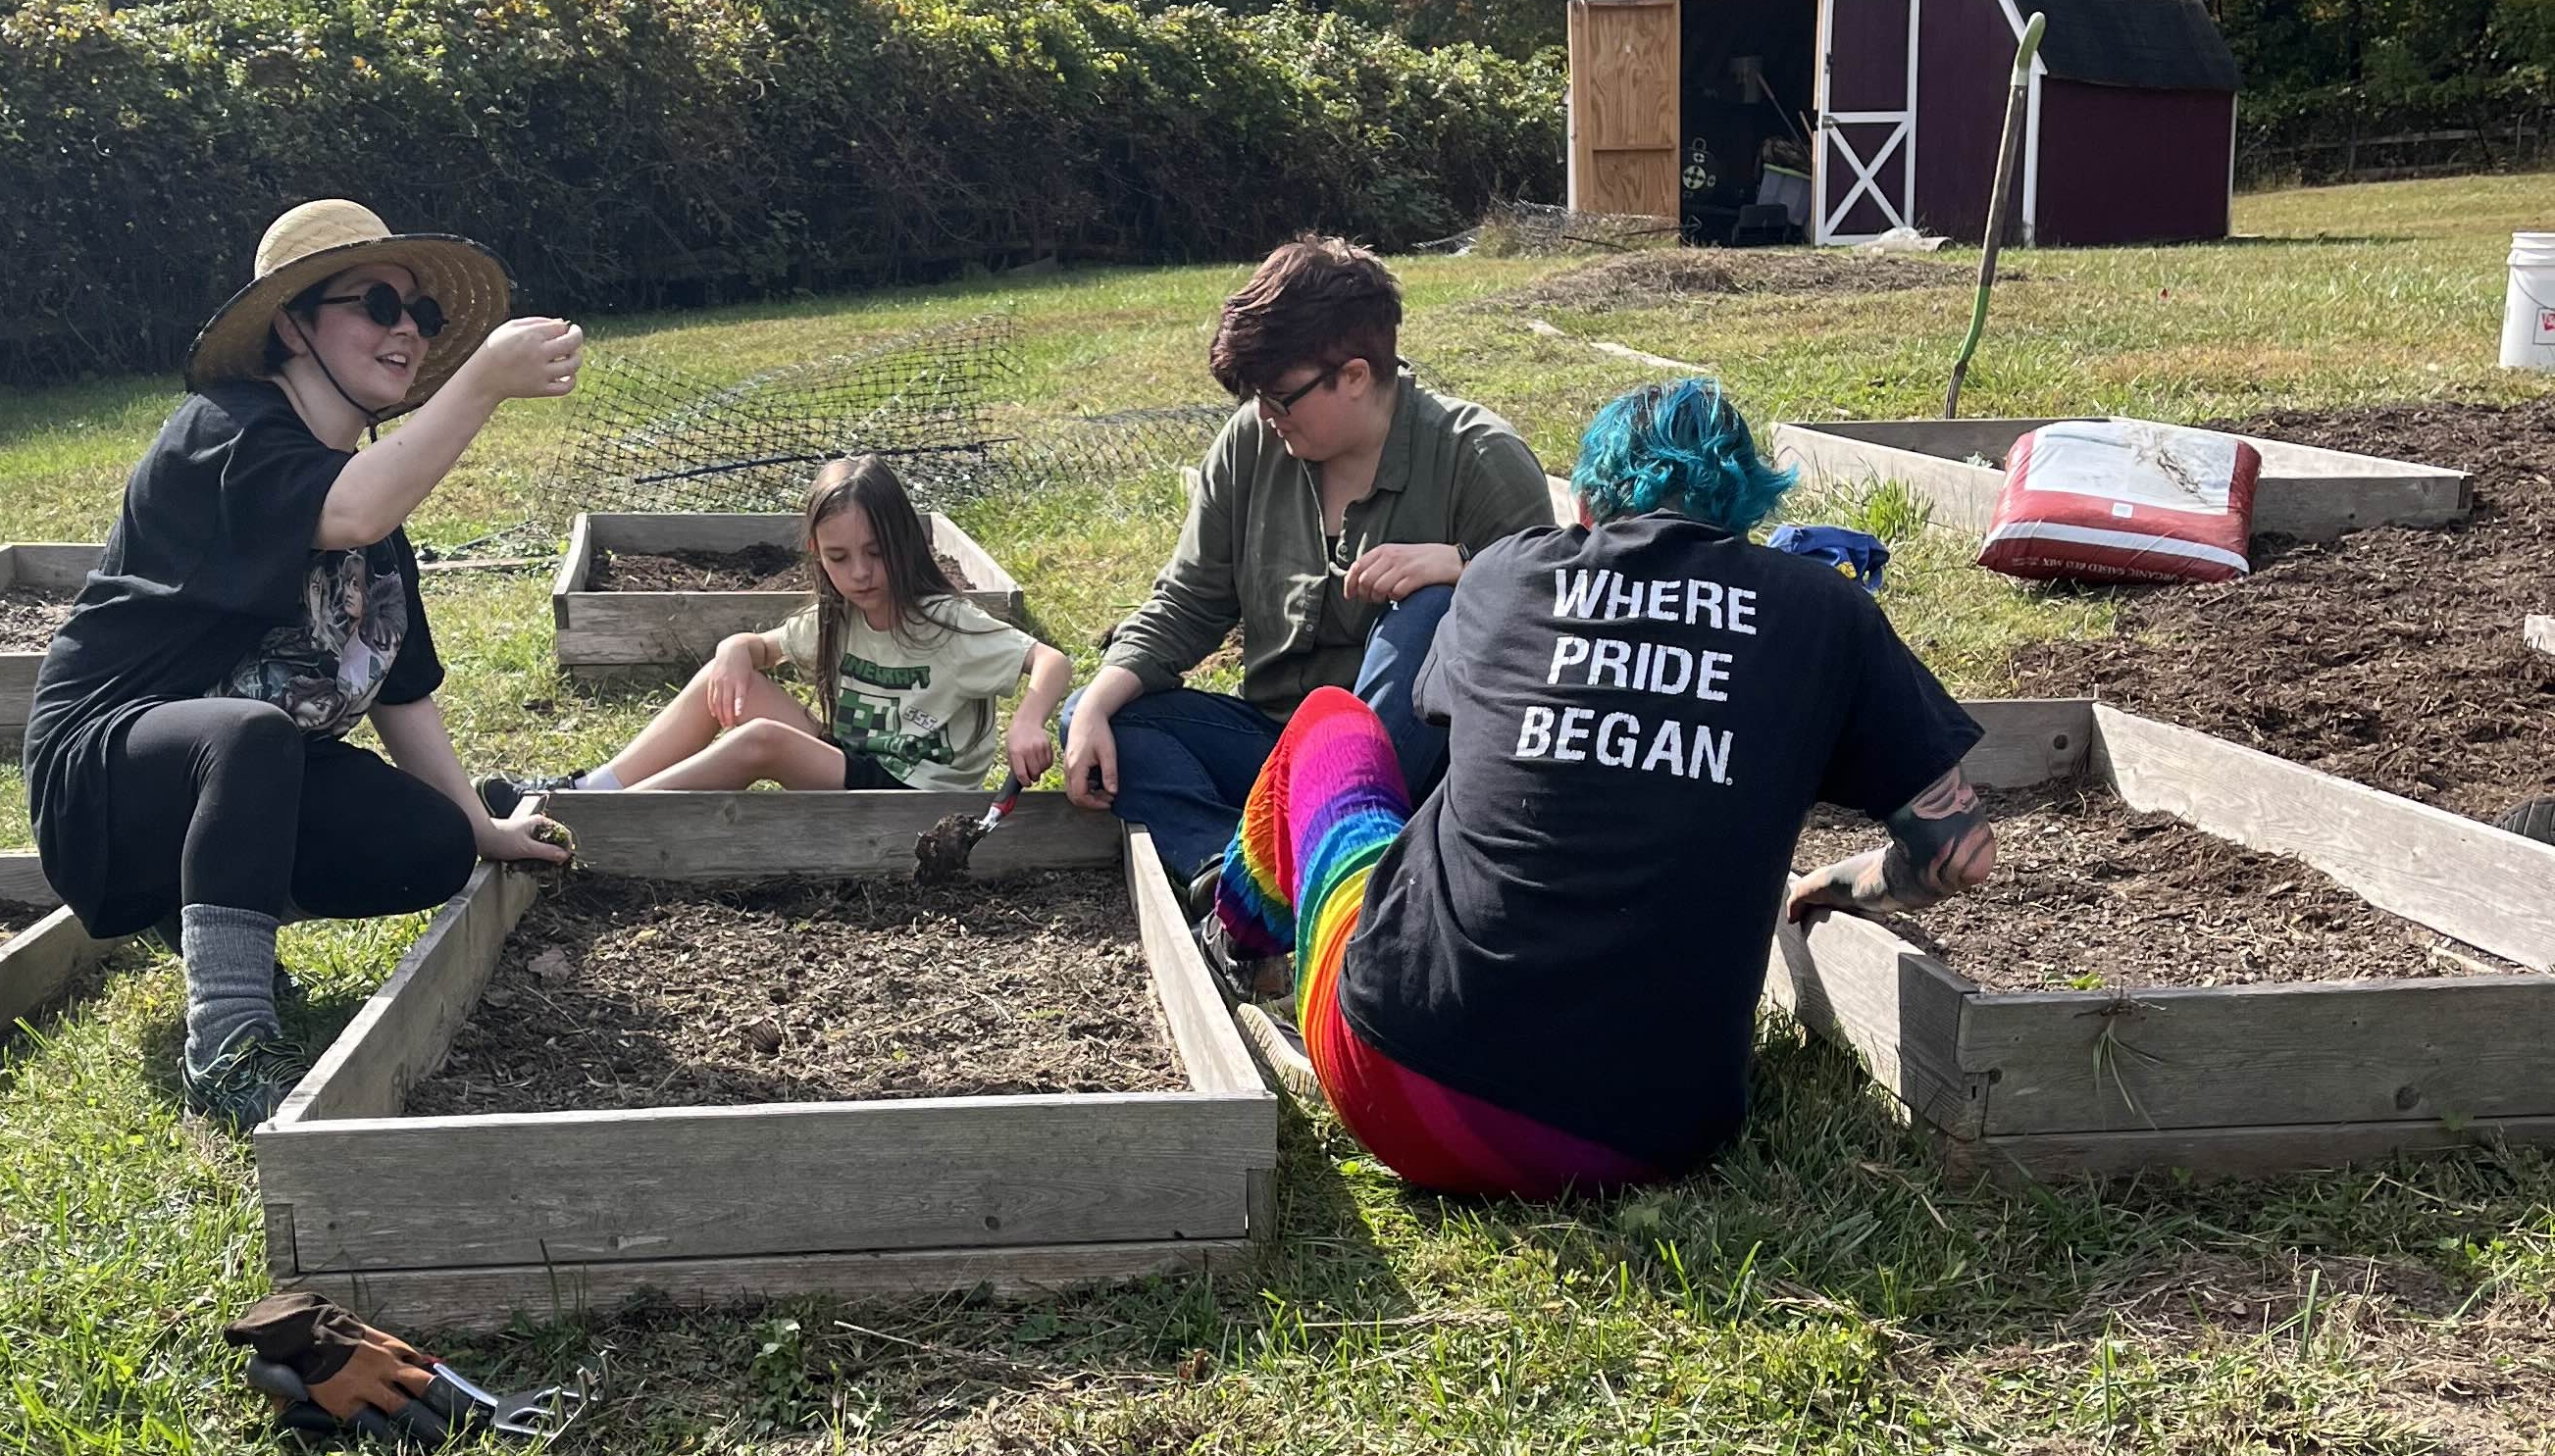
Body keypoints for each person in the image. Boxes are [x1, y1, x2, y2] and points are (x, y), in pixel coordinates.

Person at [1211, 377, 1997, 1198]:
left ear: (1585, 502)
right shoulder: (1826, 612)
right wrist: (1842, 881)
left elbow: (1444, 719)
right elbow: (1961, 853)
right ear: (1748, 513)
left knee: (1332, 723)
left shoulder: (1505, 576)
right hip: (1650, 1137)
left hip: (1401, 1083)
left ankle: (1240, 946)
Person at [25, 195, 583, 1130]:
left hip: (243, 768)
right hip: (108, 776)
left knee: (428, 845)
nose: (407, 329)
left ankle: (207, 907)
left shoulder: (376, 511)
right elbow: (351, 510)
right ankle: (231, 1038)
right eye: (376, 304)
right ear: (292, 324)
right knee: (253, 736)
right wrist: (482, 378)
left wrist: (476, 829)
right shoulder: (224, 433)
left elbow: (403, 691)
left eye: (424, 315)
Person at [1061, 235, 1552, 889]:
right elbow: (1188, 602)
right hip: (1273, 750)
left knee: (1434, 609)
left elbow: (1554, 627)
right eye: (1254, 398)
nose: (1265, 417)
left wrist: (1468, 567)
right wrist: (1095, 702)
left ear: (1353, 376)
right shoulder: (1249, 445)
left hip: (1414, 776)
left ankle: (1308, 871)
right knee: (1100, 714)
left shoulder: (1478, 457)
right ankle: (1227, 878)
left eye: (1279, 398)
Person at [581, 453, 1071, 799]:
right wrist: (733, 647)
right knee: (723, 679)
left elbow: (1050, 661)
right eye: (839, 557)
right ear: (817, 553)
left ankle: (606, 816)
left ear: (905, 542)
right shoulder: (840, 618)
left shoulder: (945, 622)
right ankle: (592, 788)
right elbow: (760, 650)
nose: (859, 572)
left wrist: (1028, 722)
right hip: (848, 760)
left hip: (912, 797)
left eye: (875, 553)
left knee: (762, 741)